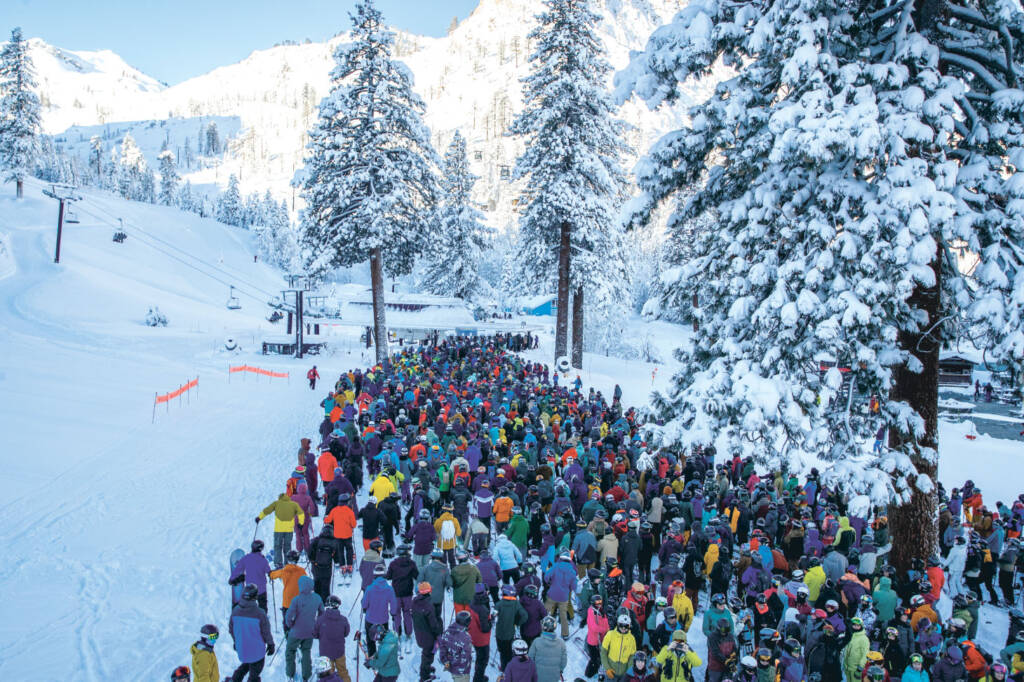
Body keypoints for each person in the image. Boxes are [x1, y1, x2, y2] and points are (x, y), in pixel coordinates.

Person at [229, 583, 274, 682]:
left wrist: (237, 642)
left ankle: (235, 679)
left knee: (247, 663)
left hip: (242, 650)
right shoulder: (259, 613)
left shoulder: (235, 611)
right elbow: (266, 632)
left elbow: (231, 630)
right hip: (257, 652)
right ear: (255, 597)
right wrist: (271, 644)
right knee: (255, 672)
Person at [283, 575, 324, 682]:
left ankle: (290, 673)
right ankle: (307, 675)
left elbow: (288, 616)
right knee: (306, 651)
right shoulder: (317, 598)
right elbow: (322, 613)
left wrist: (290, 625)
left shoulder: (296, 600)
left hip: (296, 632)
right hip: (310, 631)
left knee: (290, 650)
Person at [257, 493, 306, 570]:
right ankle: (288, 562)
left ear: (280, 498)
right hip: (289, 529)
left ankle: (278, 563)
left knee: (277, 546)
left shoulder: (276, 503)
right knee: (287, 546)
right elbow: (301, 513)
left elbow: (266, 510)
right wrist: (301, 523)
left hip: (278, 529)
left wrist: (259, 517)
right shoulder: (293, 504)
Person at [362, 563, 398, 658]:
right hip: (383, 620)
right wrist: (393, 613)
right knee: (384, 638)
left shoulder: (369, 589)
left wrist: (365, 608)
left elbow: (364, 604)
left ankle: (372, 656)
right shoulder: (389, 589)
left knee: (370, 639)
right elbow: (394, 603)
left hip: (370, 619)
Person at [313, 595, 350, 682]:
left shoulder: (320, 620)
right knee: (343, 672)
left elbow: (314, 634)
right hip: (339, 652)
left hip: (325, 654)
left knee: (329, 676)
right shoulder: (343, 619)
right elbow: (346, 633)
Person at [270, 550, 307, 634]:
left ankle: (288, 635)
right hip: (299, 600)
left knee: (287, 620)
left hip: (287, 601)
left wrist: (271, 573)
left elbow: (273, 575)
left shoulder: (284, 571)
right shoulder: (302, 571)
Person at [412, 582, 444, 679]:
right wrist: (438, 632)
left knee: (426, 653)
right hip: (428, 636)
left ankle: (426, 668)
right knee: (428, 655)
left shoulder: (414, 601)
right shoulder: (428, 605)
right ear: (429, 591)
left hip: (419, 633)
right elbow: (433, 624)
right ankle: (424, 676)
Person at [229, 541, 273, 612]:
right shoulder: (263, 560)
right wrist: (272, 575)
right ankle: (263, 617)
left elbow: (238, 569)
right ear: (260, 549)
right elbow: (269, 571)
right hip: (261, 589)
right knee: (262, 606)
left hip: (250, 588)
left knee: (250, 606)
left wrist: (232, 579)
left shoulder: (246, 558)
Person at [543, 552, 577, 638]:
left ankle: (540, 629)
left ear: (561, 558)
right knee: (563, 616)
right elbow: (574, 586)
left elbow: (546, 576)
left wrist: (550, 583)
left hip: (552, 594)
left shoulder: (556, 566)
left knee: (544, 612)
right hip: (564, 596)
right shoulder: (572, 571)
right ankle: (565, 634)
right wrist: (568, 589)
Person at [439, 610, 476, 682]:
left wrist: (445, 661)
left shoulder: (447, 631)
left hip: (449, 665)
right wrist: (461, 669)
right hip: (460, 672)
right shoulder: (466, 637)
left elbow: (442, 647)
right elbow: (465, 657)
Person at [528, 616, 567, 682]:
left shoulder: (537, 641)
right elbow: (564, 661)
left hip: (538, 676)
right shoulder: (561, 643)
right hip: (554, 677)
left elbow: (530, 658)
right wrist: (560, 670)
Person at [602, 613, 637, 681]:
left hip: (623, 673)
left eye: (626, 626)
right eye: (621, 625)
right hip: (611, 671)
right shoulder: (610, 634)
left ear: (629, 626)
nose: (623, 628)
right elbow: (603, 652)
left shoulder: (632, 639)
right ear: (618, 624)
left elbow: (632, 656)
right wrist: (607, 668)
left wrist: (629, 671)